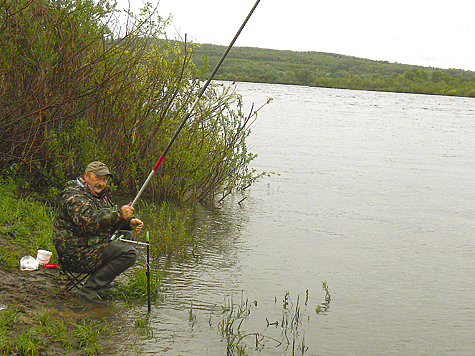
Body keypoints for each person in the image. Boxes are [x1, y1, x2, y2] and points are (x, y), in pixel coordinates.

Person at [53, 161, 144, 305]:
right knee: (129, 253)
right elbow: (87, 220)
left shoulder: (99, 196)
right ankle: (88, 290)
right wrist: (119, 213)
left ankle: (102, 280)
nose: (101, 183)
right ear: (87, 176)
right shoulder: (74, 195)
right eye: (98, 178)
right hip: (75, 253)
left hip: (89, 244)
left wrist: (129, 223)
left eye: (105, 179)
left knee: (127, 237)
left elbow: (108, 219)